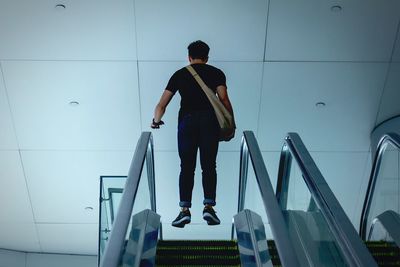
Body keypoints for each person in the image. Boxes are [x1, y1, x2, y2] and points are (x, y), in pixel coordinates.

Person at [151, 40, 235, 228]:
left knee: (187, 167)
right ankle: (209, 207)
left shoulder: (179, 74)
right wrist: (230, 124)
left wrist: (156, 121)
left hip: (187, 122)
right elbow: (224, 99)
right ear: (207, 57)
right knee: (209, 165)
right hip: (210, 122)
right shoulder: (217, 73)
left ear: (189, 57)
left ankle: (184, 211)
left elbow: (161, 105)